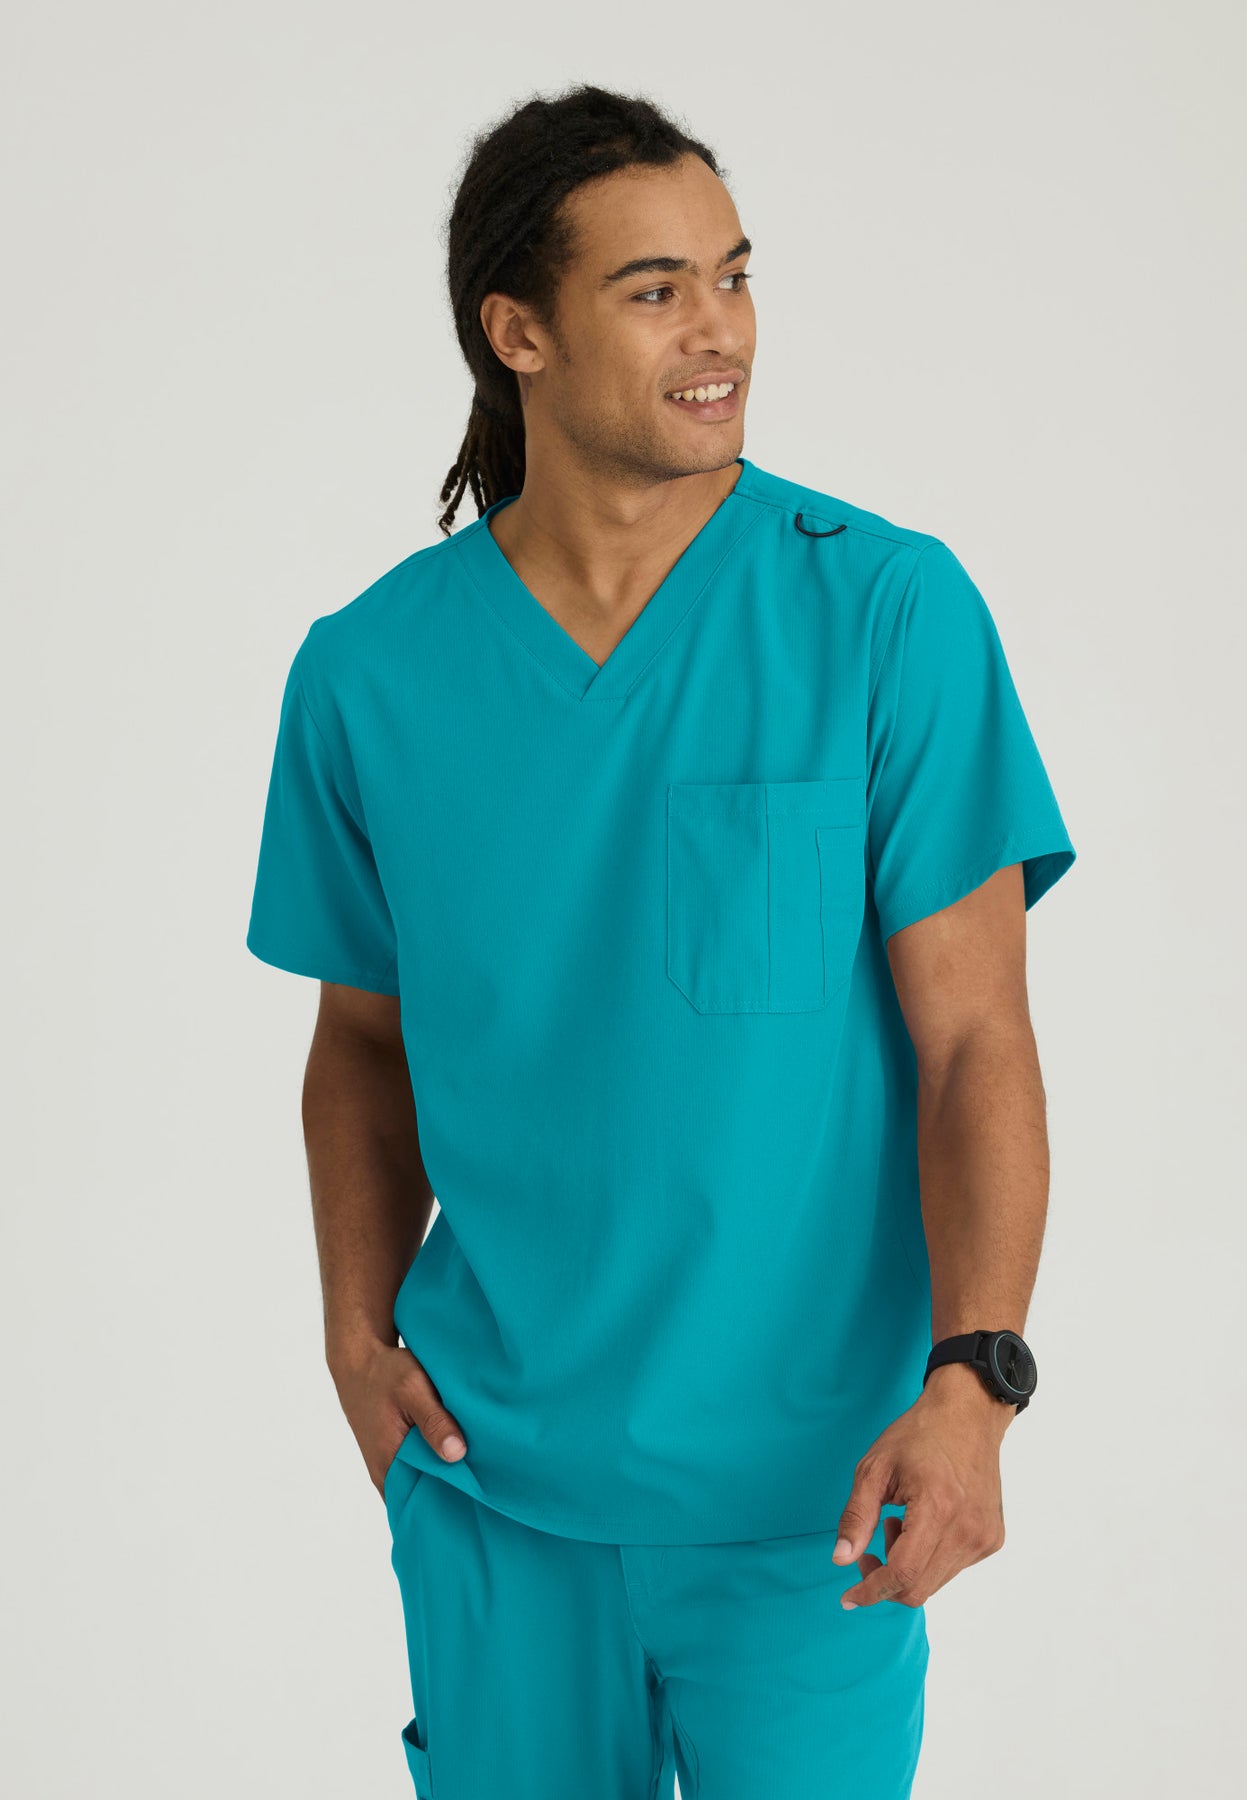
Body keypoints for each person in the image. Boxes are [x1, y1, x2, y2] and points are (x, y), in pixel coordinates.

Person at [245, 81, 1077, 1800]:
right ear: (519, 332)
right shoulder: (370, 673)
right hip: (493, 1489)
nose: (722, 331)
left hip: (817, 1501)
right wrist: (351, 1335)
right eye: (656, 289)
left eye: (736, 274)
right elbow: (363, 1045)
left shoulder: (884, 613)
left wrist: (977, 1378)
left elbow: (976, 1041)